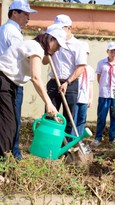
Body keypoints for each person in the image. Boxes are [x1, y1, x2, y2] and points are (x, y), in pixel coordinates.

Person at [0, 25, 67, 158]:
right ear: (51, 40)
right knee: (8, 127)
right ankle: (2, 166)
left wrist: (50, 53)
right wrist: (49, 103)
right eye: (58, 45)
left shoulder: (36, 48)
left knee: (11, 125)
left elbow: (43, 62)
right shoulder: (35, 47)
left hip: (11, 85)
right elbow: (36, 78)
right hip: (3, 81)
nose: (58, 49)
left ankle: (4, 164)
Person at [0, 0, 37, 160]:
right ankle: (10, 156)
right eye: (25, 13)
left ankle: (9, 155)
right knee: (11, 122)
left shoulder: (7, 29)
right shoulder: (11, 30)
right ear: (14, 13)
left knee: (6, 121)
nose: (28, 17)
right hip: (9, 80)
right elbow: (21, 54)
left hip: (7, 78)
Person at [43, 14, 87, 138]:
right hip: (53, 82)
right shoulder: (52, 42)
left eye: (61, 28)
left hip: (70, 84)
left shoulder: (78, 45)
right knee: (50, 114)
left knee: (68, 117)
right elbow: (44, 61)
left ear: (69, 28)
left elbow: (81, 68)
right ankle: (49, 144)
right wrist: (48, 51)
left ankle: (65, 148)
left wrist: (67, 82)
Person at [91, 42, 115, 147]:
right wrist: (104, 88)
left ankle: (113, 138)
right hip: (104, 94)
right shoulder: (101, 63)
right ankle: (98, 138)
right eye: (112, 51)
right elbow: (99, 78)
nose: (113, 53)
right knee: (101, 116)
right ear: (107, 51)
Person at [72, 42, 94, 136]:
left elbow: (90, 84)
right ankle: (71, 139)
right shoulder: (74, 68)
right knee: (73, 119)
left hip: (84, 99)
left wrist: (90, 98)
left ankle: (79, 139)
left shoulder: (90, 69)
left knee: (82, 120)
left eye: (86, 54)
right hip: (75, 98)